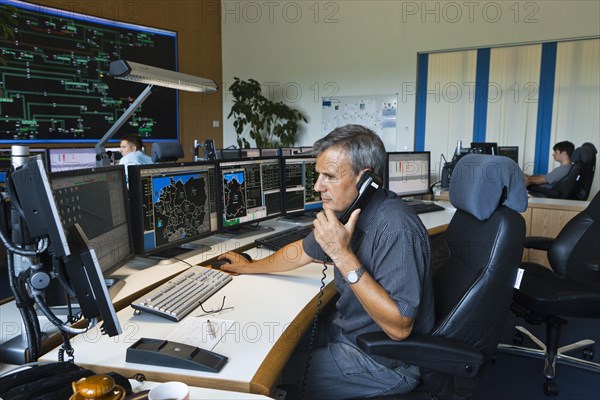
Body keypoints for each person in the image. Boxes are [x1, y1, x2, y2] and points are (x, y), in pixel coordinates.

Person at [219, 125, 434, 399]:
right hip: (347, 332)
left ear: (365, 179)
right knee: (262, 344)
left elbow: (400, 327)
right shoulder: (352, 211)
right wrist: (249, 267)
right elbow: (303, 251)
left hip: (383, 361)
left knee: (264, 376)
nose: (317, 186)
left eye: (329, 176)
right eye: (318, 175)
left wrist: (342, 254)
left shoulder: (396, 228)